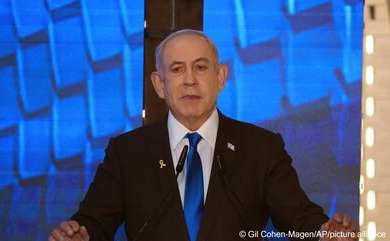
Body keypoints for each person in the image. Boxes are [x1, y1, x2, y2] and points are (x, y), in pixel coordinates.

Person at [49, 29, 357, 241]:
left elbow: (300, 220)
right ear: (159, 84)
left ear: (220, 77)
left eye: (200, 67)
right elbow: (94, 222)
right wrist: (81, 233)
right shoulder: (127, 153)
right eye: (177, 70)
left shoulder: (260, 149)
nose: (190, 81)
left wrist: (323, 232)